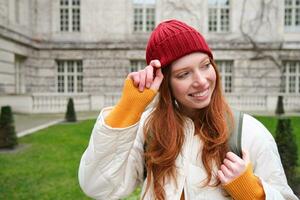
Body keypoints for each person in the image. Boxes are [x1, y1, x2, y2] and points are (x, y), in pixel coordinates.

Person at [78, 19, 298, 200]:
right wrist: (127, 110)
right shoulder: (149, 129)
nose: (201, 81)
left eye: (205, 65)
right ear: (165, 84)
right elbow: (98, 187)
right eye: (184, 74)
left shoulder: (249, 132)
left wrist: (255, 193)